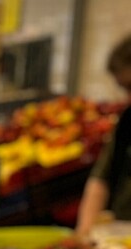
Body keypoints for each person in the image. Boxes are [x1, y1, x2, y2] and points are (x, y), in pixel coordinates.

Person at [77, 34, 131, 236]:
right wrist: (84, 233)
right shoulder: (127, 122)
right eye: (124, 88)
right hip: (122, 237)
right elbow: (100, 180)